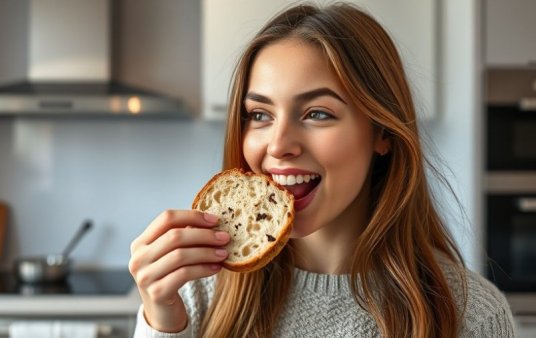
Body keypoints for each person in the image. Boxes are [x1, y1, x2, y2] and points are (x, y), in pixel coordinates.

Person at [129, 3, 515, 337]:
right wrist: (161, 324)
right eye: (260, 115)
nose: (279, 145)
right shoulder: (193, 292)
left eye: (317, 113)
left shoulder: (472, 316)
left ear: (382, 133)